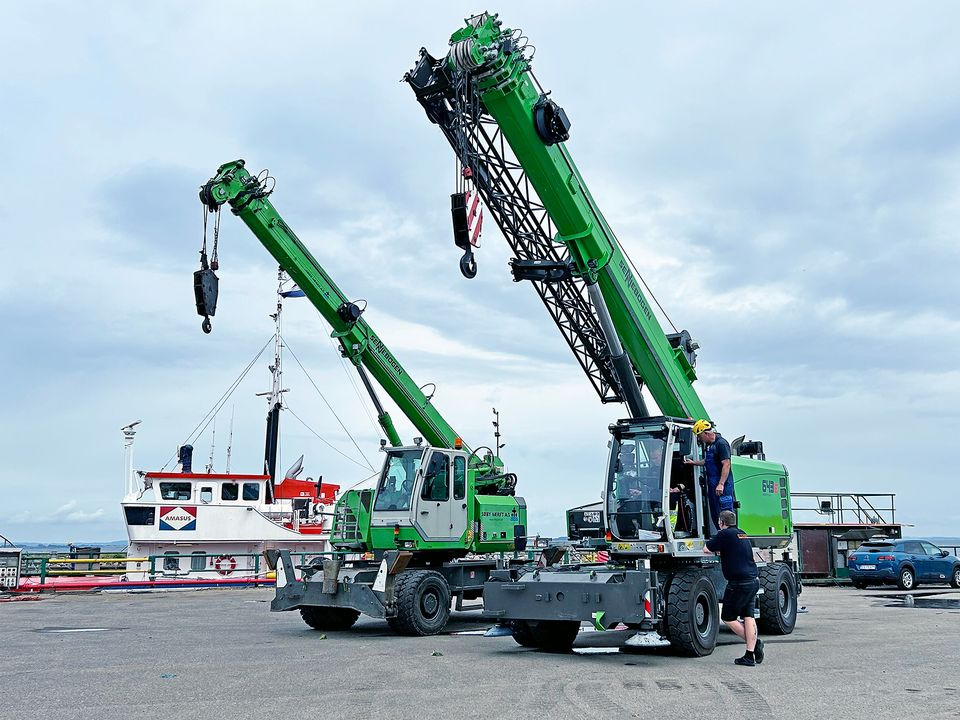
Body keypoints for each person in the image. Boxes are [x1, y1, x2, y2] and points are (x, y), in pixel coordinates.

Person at [704, 510, 765, 666]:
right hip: (752, 580)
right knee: (748, 616)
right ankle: (750, 654)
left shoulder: (724, 534)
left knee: (728, 618)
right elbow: (735, 550)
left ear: (721, 522)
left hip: (739, 584)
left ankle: (756, 644)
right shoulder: (742, 533)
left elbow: (706, 549)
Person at [685, 419, 736, 530]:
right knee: (715, 514)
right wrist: (694, 463)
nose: (699, 439)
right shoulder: (709, 446)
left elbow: (726, 464)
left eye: (699, 436)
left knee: (725, 515)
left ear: (706, 433)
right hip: (713, 486)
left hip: (723, 487)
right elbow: (707, 461)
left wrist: (721, 484)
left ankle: (728, 539)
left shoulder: (721, 444)